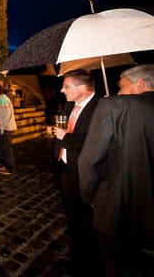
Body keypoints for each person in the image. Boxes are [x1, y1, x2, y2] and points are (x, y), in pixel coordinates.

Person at [78, 64, 154, 277]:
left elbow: (89, 159)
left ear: (139, 83)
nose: (118, 92)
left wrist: (90, 195)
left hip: (118, 206)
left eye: (122, 87)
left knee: (115, 265)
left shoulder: (114, 105)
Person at [53, 69, 102, 275]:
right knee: (73, 219)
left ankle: (90, 266)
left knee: (88, 223)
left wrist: (65, 137)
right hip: (65, 169)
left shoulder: (101, 107)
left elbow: (96, 142)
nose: (62, 90)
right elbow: (63, 129)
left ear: (81, 88)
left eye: (66, 86)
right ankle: (77, 261)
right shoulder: (70, 104)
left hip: (86, 173)